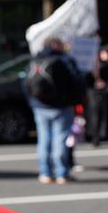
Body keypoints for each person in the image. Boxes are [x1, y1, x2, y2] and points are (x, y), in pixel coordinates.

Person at [24, 37, 85, 185]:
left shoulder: (34, 60)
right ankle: (62, 173)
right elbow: (76, 81)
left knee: (44, 140)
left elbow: (25, 84)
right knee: (60, 140)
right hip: (61, 106)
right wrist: (76, 102)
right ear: (55, 45)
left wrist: (33, 102)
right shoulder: (63, 61)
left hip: (39, 107)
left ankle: (45, 173)